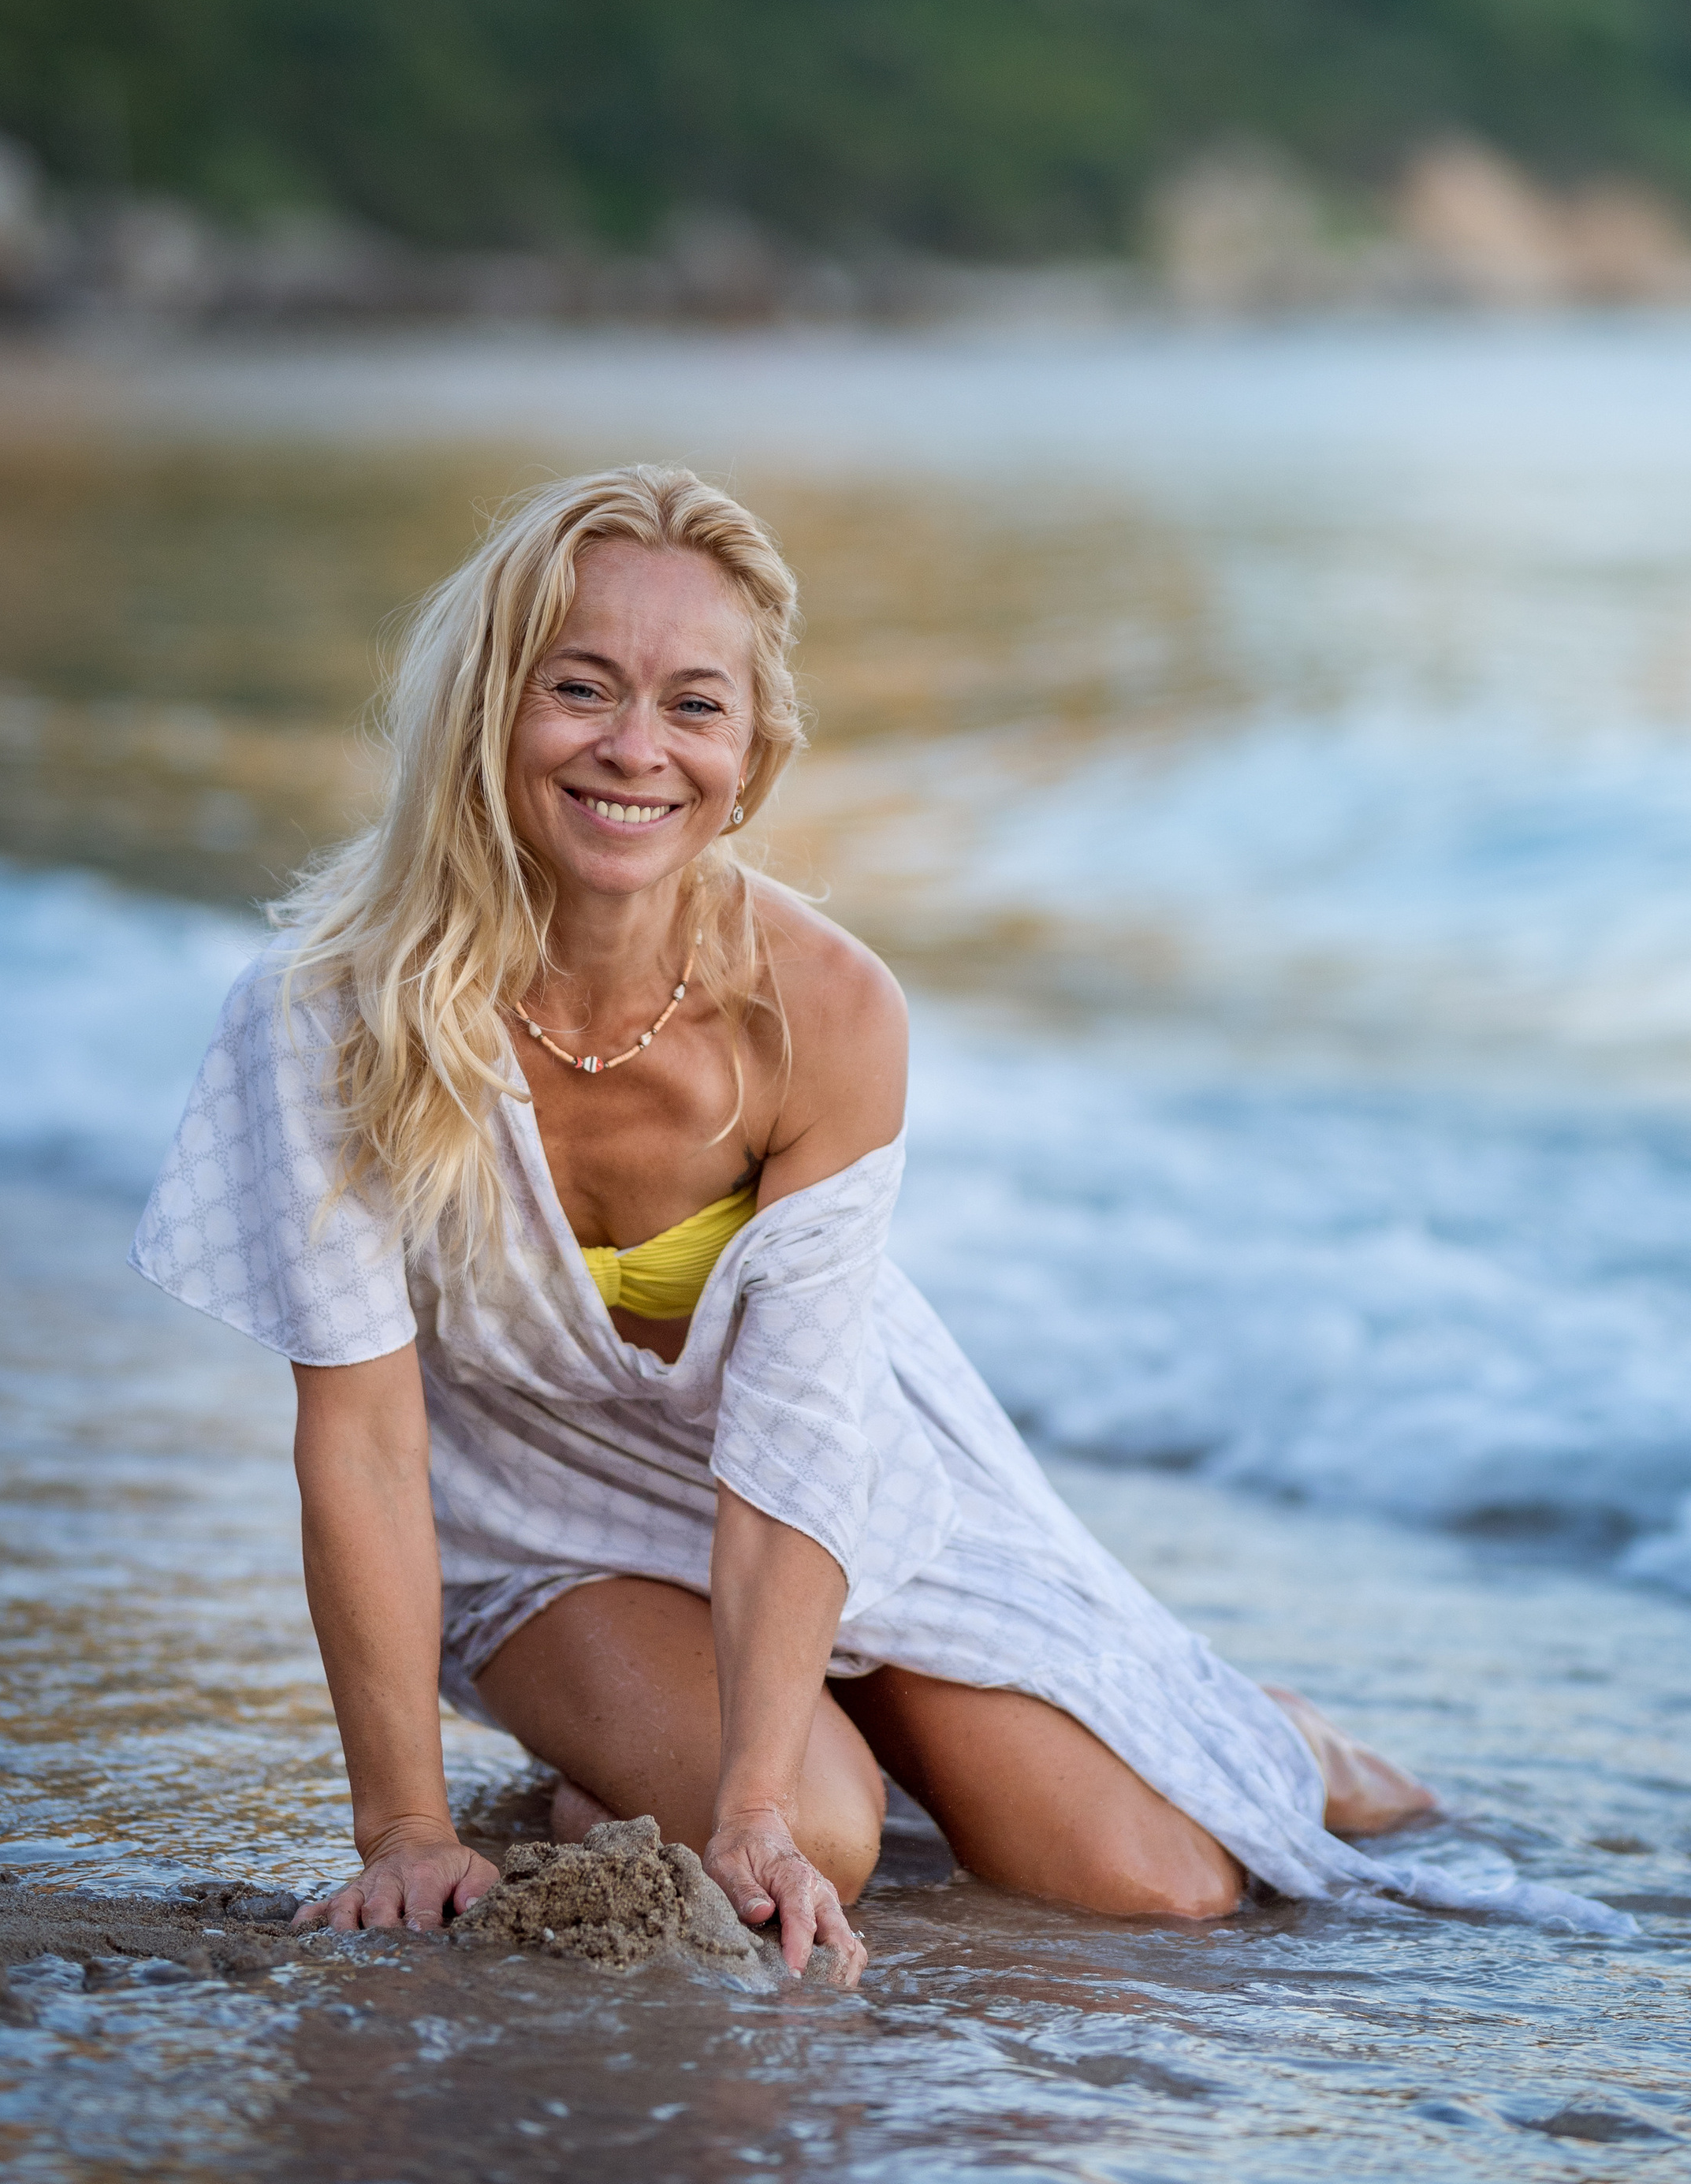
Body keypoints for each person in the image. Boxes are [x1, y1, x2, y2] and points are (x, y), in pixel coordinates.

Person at [134, 464, 1600, 1988]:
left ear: (754, 755)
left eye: (695, 706)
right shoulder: (330, 1018)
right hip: (542, 1518)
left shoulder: (823, 1012)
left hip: (848, 1481)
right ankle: (731, 1754)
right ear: (489, 707)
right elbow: (366, 1442)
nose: (636, 749)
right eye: (581, 688)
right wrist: (408, 1831)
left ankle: (1256, 1720)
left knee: (1152, 1884)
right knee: (825, 1841)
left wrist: (745, 1803)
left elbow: (801, 1435)